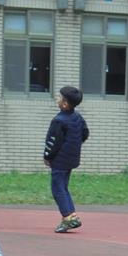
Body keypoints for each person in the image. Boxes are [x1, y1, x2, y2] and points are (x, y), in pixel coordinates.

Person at [43, 85, 90, 233]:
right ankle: (72, 215)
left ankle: (68, 217)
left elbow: (53, 141)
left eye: (59, 97)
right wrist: (74, 145)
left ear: (64, 104)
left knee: (57, 188)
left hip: (60, 160)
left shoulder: (59, 120)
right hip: (71, 159)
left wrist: (47, 156)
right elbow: (85, 133)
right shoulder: (77, 117)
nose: (57, 99)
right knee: (63, 187)